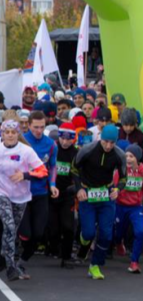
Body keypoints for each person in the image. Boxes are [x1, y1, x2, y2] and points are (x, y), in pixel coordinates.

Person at [0, 120, 47, 281]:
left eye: (13, 132)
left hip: (20, 195)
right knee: (9, 225)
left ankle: (3, 255)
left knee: (13, 229)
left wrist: (24, 175)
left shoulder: (26, 151)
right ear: (2, 134)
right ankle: (11, 267)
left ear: (18, 133)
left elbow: (42, 171)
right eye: (7, 132)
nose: (10, 135)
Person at [73, 125, 127, 280]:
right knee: (89, 233)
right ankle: (84, 239)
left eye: (112, 142)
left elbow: (123, 178)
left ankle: (95, 265)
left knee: (106, 234)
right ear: (100, 138)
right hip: (87, 194)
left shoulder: (119, 155)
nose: (109, 146)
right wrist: (79, 189)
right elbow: (74, 169)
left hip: (106, 196)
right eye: (106, 142)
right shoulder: (87, 150)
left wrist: (118, 189)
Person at [20, 111, 58, 269]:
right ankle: (15, 255)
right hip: (22, 193)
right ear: (28, 125)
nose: (38, 131)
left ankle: (22, 260)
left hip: (41, 193)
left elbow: (53, 166)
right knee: (26, 233)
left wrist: (53, 184)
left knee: (38, 233)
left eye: (42, 127)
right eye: (35, 127)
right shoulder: (20, 141)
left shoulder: (51, 144)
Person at [50, 123, 78, 269]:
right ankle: (54, 247)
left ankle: (66, 257)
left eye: (69, 139)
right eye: (63, 138)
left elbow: (80, 173)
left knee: (68, 226)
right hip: (52, 192)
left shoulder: (76, 153)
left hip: (67, 193)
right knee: (53, 228)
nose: (65, 142)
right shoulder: (53, 148)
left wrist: (76, 187)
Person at [114, 144, 143, 273]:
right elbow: (114, 188)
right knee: (118, 233)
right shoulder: (120, 170)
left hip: (136, 207)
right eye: (126, 156)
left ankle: (134, 261)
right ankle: (119, 242)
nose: (128, 159)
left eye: (131, 156)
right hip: (120, 205)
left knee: (140, 232)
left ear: (138, 158)